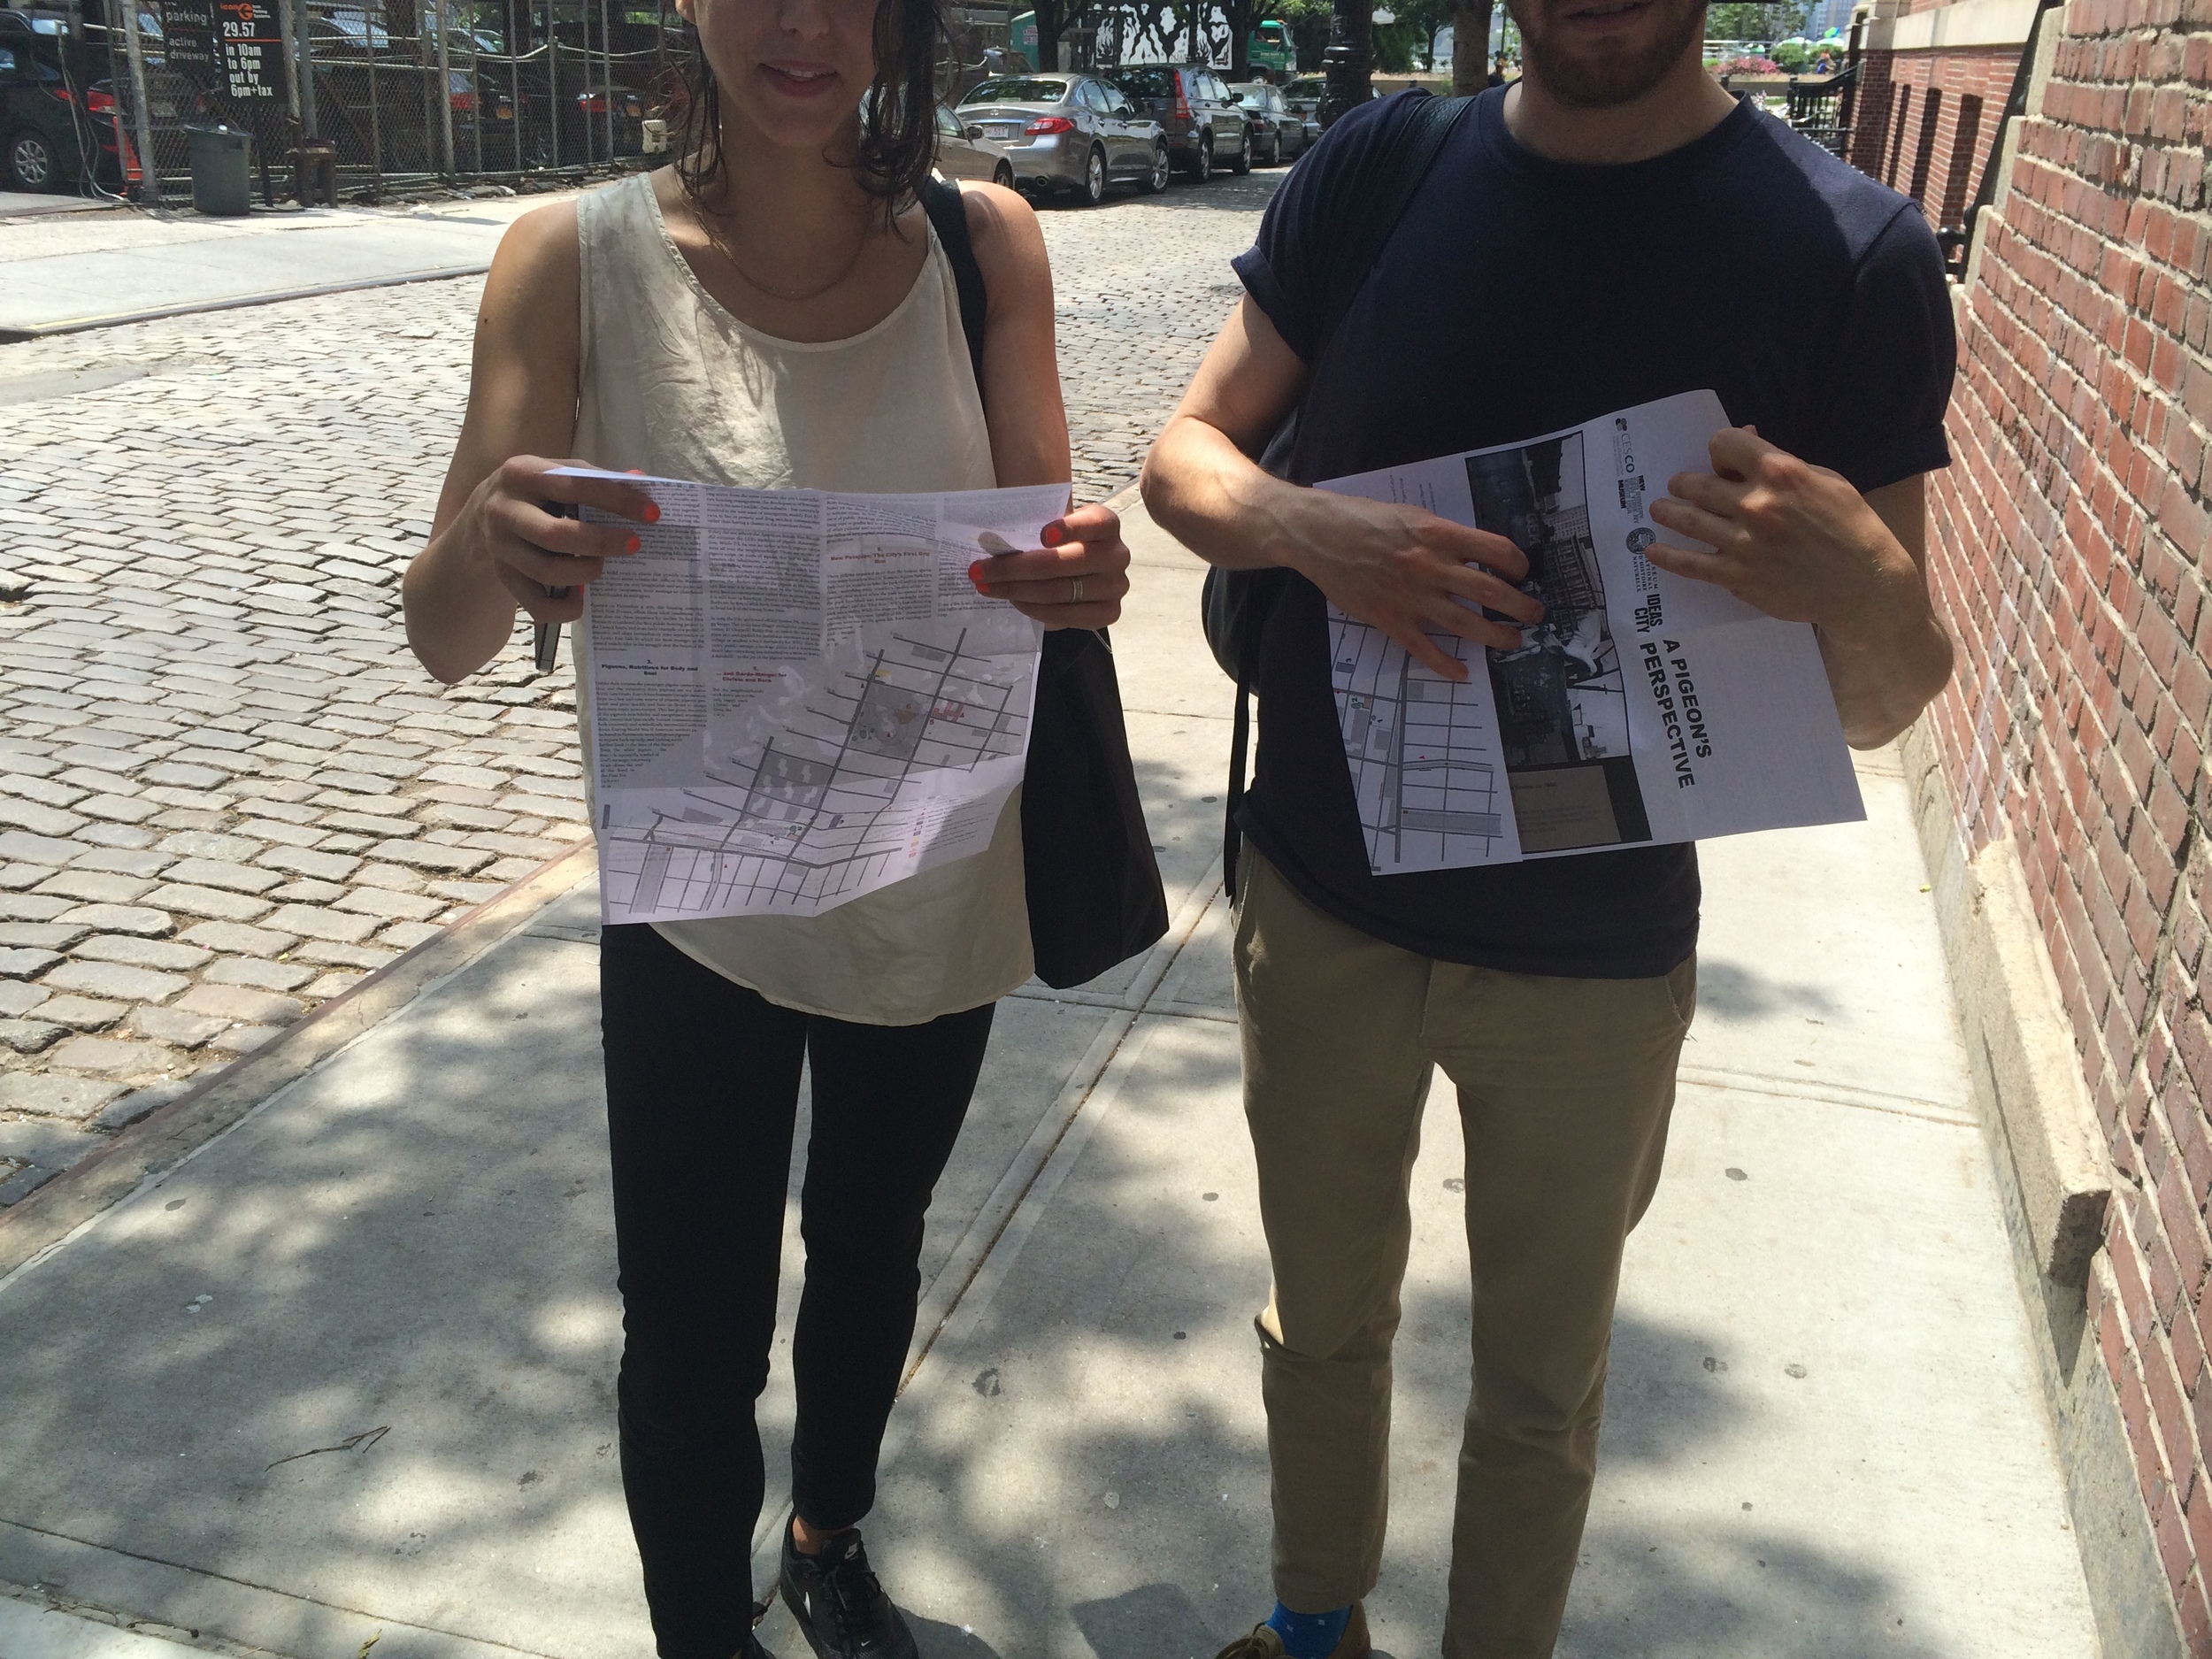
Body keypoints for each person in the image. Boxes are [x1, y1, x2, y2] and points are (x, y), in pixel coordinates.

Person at [1140, 0, 1956, 1647]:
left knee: (1538, 1389)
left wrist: (1875, 597)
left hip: (1593, 968)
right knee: (1320, 1326)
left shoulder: (1855, 254)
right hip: (1325, 901)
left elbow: (1879, 700)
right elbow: (1182, 460)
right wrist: (1313, 532)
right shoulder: (1387, 164)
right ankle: (1313, 1630)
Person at [398, 0, 1132, 1649]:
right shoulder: (567, 257)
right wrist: (499, 540)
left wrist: (1083, 570)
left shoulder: (986, 238)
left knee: (872, 1248)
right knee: (691, 1319)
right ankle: (695, 1630)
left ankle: (829, 1533)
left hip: (932, 871)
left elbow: (1043, 545)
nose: (806, 24)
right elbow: (440, 633)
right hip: (700, 899)